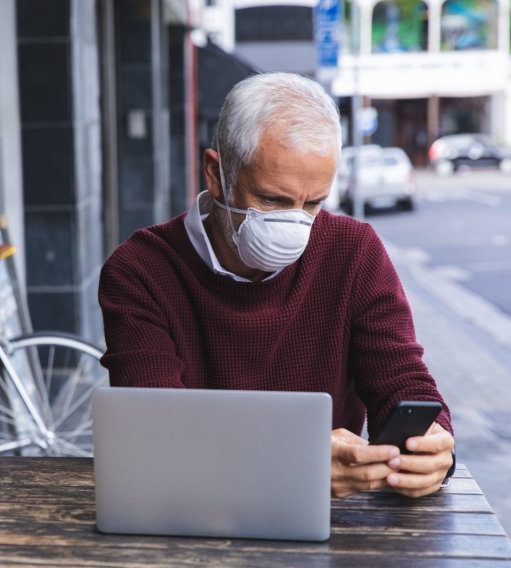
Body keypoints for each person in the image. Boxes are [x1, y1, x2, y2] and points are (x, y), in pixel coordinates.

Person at [98, 72, 454, 499]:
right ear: (216, 173)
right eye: (273, 200)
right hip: (191, 511)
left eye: (314, 203)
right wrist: (292, 464)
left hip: (329, 523)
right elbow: (154, 429)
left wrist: (431, 447)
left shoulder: (353, 251)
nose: (295, 224)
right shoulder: (142, 270)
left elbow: (401, 379)